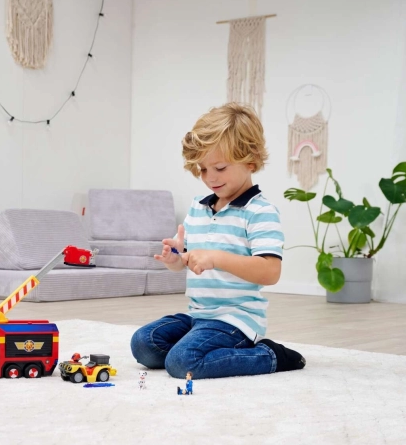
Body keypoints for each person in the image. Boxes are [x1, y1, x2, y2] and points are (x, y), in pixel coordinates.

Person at [130, 103, 306, 380]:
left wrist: (217, 258)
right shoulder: (198, 207)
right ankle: (205, 351)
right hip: (198, 315)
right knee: (143, 343)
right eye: (202, 169)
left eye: (220, 168)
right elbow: (187, 261)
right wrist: (175, 259)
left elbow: (270, 272)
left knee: (182, 362)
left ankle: (270, 355)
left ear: (250, 160)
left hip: (236, 320)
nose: (210, 177)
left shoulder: (260, 212)